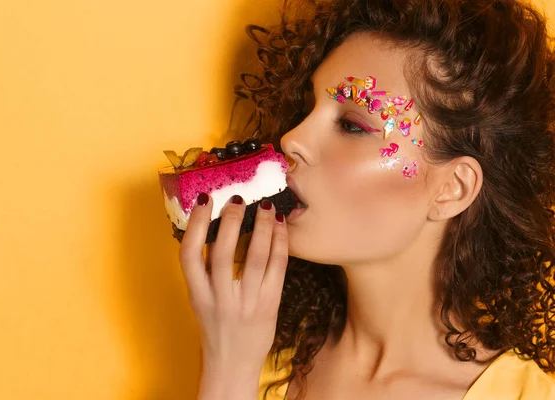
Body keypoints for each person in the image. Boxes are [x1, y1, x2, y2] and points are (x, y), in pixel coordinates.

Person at [178, 0, 555, 398]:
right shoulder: (256, 355)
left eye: (352, 125)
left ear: (453, 189)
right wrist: (229, 369)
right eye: (308, 108)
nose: (292, 140)